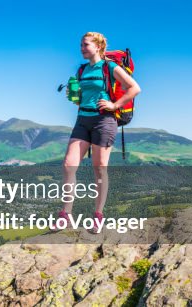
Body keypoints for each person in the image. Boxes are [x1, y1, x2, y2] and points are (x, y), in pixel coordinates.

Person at [58, 32, 141, 233]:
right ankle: (66, 215)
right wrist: (74, 96)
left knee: (100, 168)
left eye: (86, 45)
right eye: (81, 45)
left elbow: (134, 88)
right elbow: (80, 98)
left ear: (98, 47)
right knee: (69, 165)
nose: (82, 48)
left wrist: (115, 105)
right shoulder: (81, 70)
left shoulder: (109, 67)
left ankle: (98, 215)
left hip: (104, 121)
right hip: (82, 121)